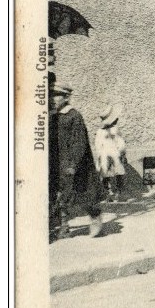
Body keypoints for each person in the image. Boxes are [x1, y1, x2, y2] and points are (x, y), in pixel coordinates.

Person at [50, 84, 104, 239]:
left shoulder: (74, 116)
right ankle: (64, 227)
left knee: (83, 194)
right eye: (52, 95)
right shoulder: (53, 116)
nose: (53, 99)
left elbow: (79, 142)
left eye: (57, 95)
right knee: (61, 195)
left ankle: (95, 215)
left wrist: (73, 164)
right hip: (57, 162)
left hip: (75, 164)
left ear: (66, 97)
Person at [94, 103, 127, 202]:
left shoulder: (100, 131)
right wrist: (122, 152)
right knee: (117, 174)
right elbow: (121, 144)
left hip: (105, 156)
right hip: (114, 155)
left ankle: (109, 193)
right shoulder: (115, 130)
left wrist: (100, 154)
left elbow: (97, 145)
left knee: (107, 174)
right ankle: (117, 193)